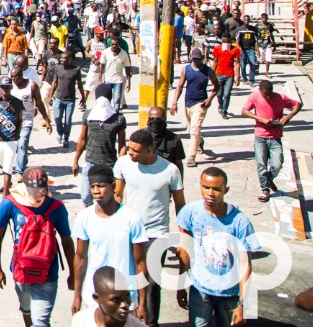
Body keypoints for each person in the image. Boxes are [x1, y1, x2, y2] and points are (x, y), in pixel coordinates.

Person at [114, 129, 186, 327]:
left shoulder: (170, 170)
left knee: (152, 284)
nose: (130, 153)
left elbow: (180, 204)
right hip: (130, 233)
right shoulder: (123, 164)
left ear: (148, 149)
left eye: (135, 150)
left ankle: (150, 323)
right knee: (128, 280)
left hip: (157, 234)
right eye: (129, 148)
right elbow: (117, 195)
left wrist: (182, 237)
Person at [0, 167, 74, 327]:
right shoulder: (10, 203)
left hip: (48, 273)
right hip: (21, 271)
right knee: (26, 308)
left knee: (41, 321)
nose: (38, 196)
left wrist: (73, 272)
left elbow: (67, 241)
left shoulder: (57, 208)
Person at [176, 167, 258, 327]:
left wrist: (243, 304)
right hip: (200, 289)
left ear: (225, 190)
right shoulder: (190, 212)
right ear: (200, 185)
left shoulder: (241, 222)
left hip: (230, 293)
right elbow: (184, 251)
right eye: (206, 187)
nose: (210, 193)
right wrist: (180, 285)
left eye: (216, 189)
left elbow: (245, 265)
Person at [71, 163, 148, 324]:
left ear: (113, 186)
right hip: (94, 296)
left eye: (101, 186)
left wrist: (142, 302)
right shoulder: (85, 217)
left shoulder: (131, 218)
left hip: (126, 298)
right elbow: (80, 258)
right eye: (92, 186)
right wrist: (77, 296)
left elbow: (140, 262)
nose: (96, 191)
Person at [240, 79, 301, 202]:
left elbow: (298, 105)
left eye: (270, 93)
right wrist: (260, 118)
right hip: (260, 136)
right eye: (265, 94)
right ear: (260, 90)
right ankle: (265, 190)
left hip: (275, 136)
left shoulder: (280, 98)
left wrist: (287, 117)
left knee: (277, 164)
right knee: (261, 164)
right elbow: (244, 111)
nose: (268, 96)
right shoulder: (254, 97)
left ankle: (268, 178)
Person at [73, 86, 127, 206]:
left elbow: (122, 144)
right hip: (90, 163)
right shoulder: (88, 115)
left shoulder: (118, 118)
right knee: (86, 197)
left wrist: (122, 164)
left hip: (110, 164)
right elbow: (82, 139)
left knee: (107, 197)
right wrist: (76, 160)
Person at [170, 48, 219, 168]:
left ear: (202, 58)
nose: (196, 61)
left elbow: (217, 86)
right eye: (194, 59)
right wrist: (174, 102)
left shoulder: (208, 71)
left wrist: (209, 99)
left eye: (198, 59)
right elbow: (180, 86)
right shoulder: (186, 69)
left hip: (201, 104)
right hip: (188, 103)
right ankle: (200, 142)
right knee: (191, 129)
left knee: (195, 129)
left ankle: (191, 157)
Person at [71, 266, 147, 327]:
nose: (125, 305)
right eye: (116, 300)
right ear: (97, 298)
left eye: (127, 296)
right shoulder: (80, 321)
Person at [0, 76, 24, 196]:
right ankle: (7, 184)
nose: (5, 89)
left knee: (8, 166)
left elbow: (19, 119)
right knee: (1, 161)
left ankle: (5, 193)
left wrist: (17, 135)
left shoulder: (18, 102)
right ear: (0, 87)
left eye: (7, 87)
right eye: (3, 87)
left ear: (11, 87)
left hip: (11, 139)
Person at [49, 51, 87, 148]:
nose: (61, 59)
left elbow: (79, 84)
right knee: (57, 118)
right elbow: (54, 82)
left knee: (68, 120)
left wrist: (83, 97)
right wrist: (50, 95)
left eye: (64, 58)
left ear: (70, 59)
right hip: (59, 98)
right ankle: (59, 132)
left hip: (70, 100)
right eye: (61, 58)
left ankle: (66, 138)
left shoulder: (76, 70)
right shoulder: (57, 68)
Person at [210, 35, 240, 119]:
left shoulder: (235, 49)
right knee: (219, 94)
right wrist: (212, 74)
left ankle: (224, 111)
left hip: (229, 75)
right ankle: (221, 104)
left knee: (227, 94)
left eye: (227, 41)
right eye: (224, 41)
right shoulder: (217, 48)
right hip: (219, 74)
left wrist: (237, 77)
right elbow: (215, 61)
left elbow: (237, 63)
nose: (226, 43)